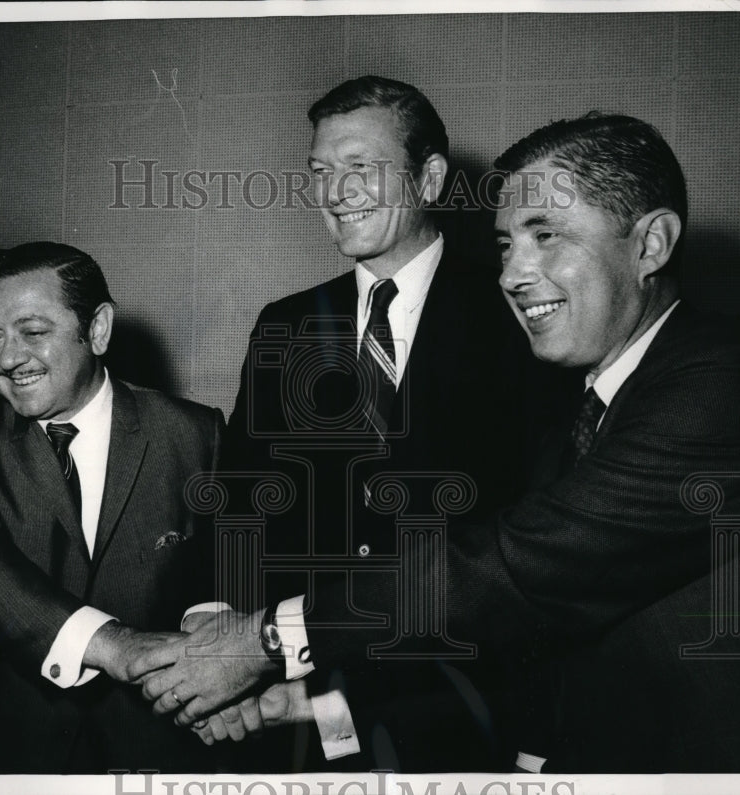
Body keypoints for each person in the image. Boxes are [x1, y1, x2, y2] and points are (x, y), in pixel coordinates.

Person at [131, 114, 740, 773]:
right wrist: (306, 707)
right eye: (508, 242)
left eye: (548, 235)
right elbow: (536, 653)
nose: (514, 271)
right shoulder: (582, 407)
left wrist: (266, 639)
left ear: (650, 244)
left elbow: (512, 569)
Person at [144, 75, 544, 772]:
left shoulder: (519, 317)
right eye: (320, 172)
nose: (334, 193)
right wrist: (216, 631)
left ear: (430, 177)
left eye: (360, 167)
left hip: (455, 709)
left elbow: (528, 541)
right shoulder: (286, 324)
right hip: (292, 711)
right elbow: (240, 497)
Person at [0, 242, 224, 773]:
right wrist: (116, 645)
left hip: (158, 748)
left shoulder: (193, 433)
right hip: (14, 748)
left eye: (33, 333)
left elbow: (222, 565)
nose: (6, 359)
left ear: (99, 329)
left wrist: (211, 627)